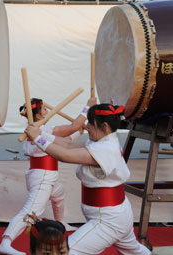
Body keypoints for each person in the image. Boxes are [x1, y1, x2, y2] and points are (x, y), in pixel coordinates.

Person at [25, 103, 151, 255]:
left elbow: (64, 155)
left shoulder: (105, 149)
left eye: (91, 123)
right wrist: (41, 133)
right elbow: (69, 145)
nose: (87, 126)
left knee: (65, 251)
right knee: (135, 252)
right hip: (115, 214)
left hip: (107, 220)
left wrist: (37, 138)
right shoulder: (102, 141)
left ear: (104, 126)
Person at [0, 97, 96, 255]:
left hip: (43, 176)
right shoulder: (40, 131)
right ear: (37, 116)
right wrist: (87, 107)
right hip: (43, 177)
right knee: (30, 212)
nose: (47, 112)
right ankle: (6, 242)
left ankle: (61, 222)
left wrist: (78, 133)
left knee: (59, 193)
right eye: (44, 110)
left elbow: (62, 141)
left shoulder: (38, 131)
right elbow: (73, 126)